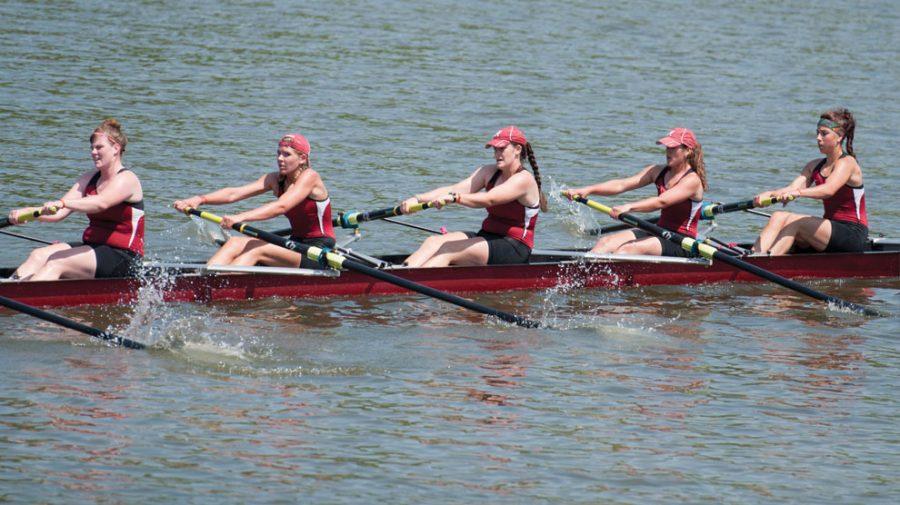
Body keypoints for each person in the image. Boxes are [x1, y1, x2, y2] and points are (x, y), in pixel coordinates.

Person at [6, 118, 145, 281]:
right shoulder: (89, 178)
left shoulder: (127, 179)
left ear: (116, 148)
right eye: (92, 148)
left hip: (124, 257)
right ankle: (10, 290)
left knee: (57, 261)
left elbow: (100, 203)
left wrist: (63, 203)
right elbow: (57, 214)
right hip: (93, 248)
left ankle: (24, 299)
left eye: (99, 147)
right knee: (38, 255)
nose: (93, 152)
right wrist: (28, 212)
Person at [173, 133, 335, 269]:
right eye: (278, 153)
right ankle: (206, 278)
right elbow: (234, 193)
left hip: (318, 251)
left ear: (302, 159)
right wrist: (199, 199)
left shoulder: (310, 177)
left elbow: (281, 206)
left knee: (255, 249)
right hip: (294, 244)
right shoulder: (275, 179)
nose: (280, 158)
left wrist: (240, 217)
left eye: (287, 154)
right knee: (235, 242)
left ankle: (220, 286)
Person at [399, 126, 547, 267]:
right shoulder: (488, 171)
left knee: (447, 250)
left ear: (518, 149)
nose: (497, 154)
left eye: (502, 148)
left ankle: (405, 285)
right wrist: (417, 199)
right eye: (495, 149)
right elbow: (454, 188)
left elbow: (490, 199)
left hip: (514, 247)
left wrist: (457, 198)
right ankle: (400, 274)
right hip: (487, 236)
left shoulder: (523, 180)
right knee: (433, 242)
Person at [563, 127, 707, 256]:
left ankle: (610, 281)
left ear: (688, 151)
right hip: (659, 230)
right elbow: (622, 184)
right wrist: (588, 189)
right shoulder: (657, 171)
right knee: (605, 242)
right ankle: (584, 279)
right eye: (667, 148)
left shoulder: (692, 180)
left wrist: (628, 207)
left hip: (681, 241)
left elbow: (661, 201)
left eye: (673, 148)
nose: (668, 152)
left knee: (627, 250)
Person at [751, 108, 867, 255]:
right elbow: (792, 187)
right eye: (817, 133)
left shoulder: (847, 163)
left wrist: (798, 193)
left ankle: (767, 263)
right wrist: (767, 195)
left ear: (840, 137)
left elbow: (828, 190)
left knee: (797, 222)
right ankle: (753, 257)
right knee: (778, 216)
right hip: (828, 230)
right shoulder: (814, 166)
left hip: (852, 233)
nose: (818, 138)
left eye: (824, 134)